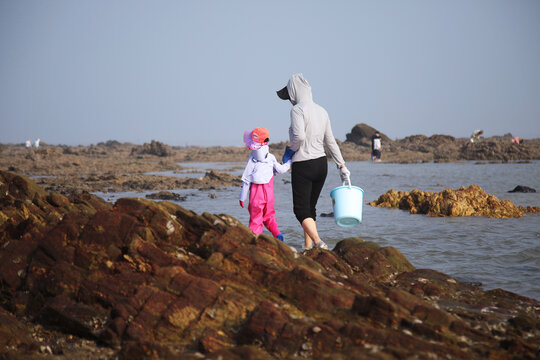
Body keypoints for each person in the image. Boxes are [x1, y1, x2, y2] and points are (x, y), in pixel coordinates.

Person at [276, 73, 351, 250]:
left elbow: (299, 136)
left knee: (301, 211)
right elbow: (330, 141)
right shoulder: (322, 110)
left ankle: (319, 243)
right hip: (321, 165)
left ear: (294, 92)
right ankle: (308, 248)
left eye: (289, 96)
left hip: (304, 164)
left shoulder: (297, 110)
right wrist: (341, 165)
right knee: (310, 209)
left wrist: (291, 149)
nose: (290, 100)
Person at [239, 127, 292, 241]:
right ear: (267, 142)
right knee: (270, 216)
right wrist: (290, 162)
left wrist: (242, 198)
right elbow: (281, 170)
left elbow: (246, 180)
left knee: (256, 219)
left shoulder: (252, 159)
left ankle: (255, 241)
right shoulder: (271, 158)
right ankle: (277, 234)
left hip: (256, 196)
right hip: (269, 195)